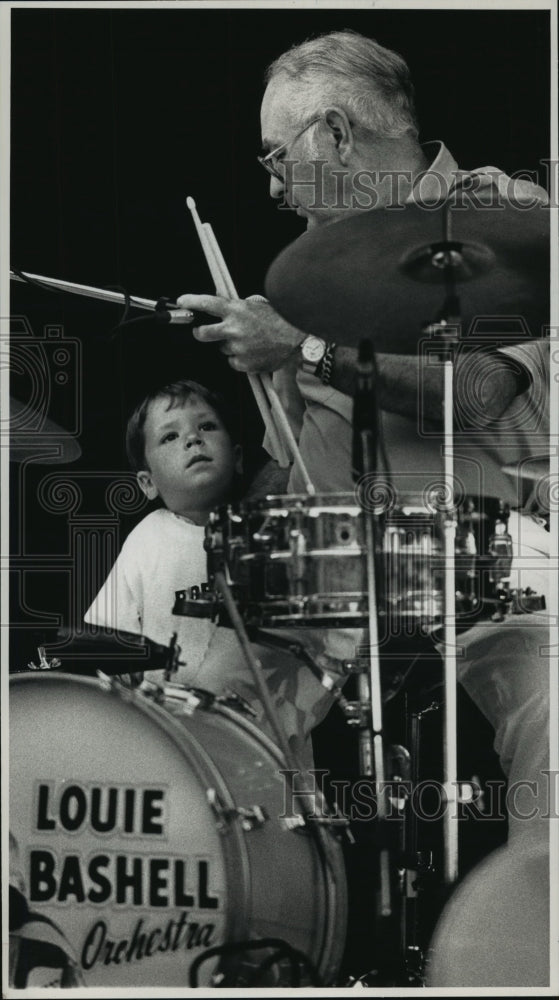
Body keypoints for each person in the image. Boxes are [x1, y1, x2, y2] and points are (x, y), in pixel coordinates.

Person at [176, 30, 551, 985]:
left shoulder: (507, 214)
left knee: (556, 705)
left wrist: (300, 352)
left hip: (498, 548)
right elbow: (290, 468)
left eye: (274, 156)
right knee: (195, 724)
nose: (268, 186)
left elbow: (479, 395)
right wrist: (231, 543)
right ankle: (243, 949)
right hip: (336, 562)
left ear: (332, 136)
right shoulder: (311, 275)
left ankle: (521, 960)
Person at [85, 377, 350, 768]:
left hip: (269, 754)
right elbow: (108, 644)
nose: (192, 440)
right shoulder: (147, 539)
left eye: (206, 427)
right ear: (147, 482)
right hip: (169, 749)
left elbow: (324, 648)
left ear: (239, 456)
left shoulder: (274, 539)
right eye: (170, 437)